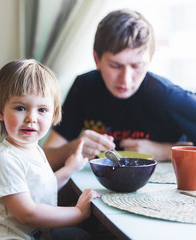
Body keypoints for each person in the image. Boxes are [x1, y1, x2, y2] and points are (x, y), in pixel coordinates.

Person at [44, 8, 196, 170]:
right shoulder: (84, 87)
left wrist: (165, 151)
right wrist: (74, 148)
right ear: (97, 59)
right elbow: (44, 159)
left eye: (137, 66)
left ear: (150, 60)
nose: (125, 79)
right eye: (115, 66)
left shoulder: (168, 96)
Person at [0, 59, 101, 239]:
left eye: (42, 110)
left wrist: (69, 169)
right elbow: (28, 213)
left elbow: (43, 188)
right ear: (0, 111)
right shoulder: (6, 160)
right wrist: (78, 213)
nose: (31, 118)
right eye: (21, 108)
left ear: (54, 114)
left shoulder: (33, 149)